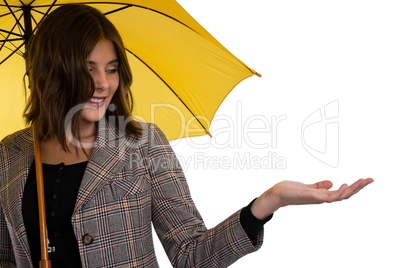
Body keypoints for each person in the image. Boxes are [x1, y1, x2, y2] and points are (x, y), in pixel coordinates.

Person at [0, 4, 373, 268]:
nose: (103, 84)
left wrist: (267, 202)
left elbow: (190, 256)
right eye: (87, 69)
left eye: (111, 69)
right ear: (51, 71)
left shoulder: (142, 145)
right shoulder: (8, 156)